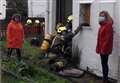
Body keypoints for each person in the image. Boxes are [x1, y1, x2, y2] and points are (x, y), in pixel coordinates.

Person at [96, 11, 113, 83]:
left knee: (104, 64)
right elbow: (100, 38)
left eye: (102, 16)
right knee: (103, 64)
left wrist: (103, 49)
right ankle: (104, 78)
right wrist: (99, 48)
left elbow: (108, 38)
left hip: (105, 49)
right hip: (101, 48)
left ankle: (105, 80)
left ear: (106, 17)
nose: (101, 17)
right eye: (100, 15)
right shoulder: (102, 25)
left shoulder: (108, 25)